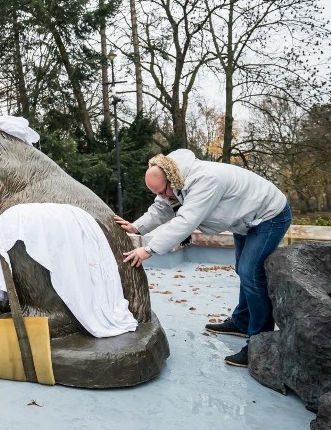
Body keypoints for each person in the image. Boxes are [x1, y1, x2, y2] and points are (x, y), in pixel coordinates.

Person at [114, 149, 292, 368]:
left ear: (171, 178)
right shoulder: (174, 180)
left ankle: (261, 343)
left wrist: (148, 250)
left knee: (251, 272)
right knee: (243, 270)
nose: (162, 196)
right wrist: (136, 226)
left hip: (269, 216)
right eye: (157, 193)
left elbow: (185, 221)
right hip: (244, 219)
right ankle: (242, 321)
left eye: (163, 191)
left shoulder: (205, 180)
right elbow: (161, 209)